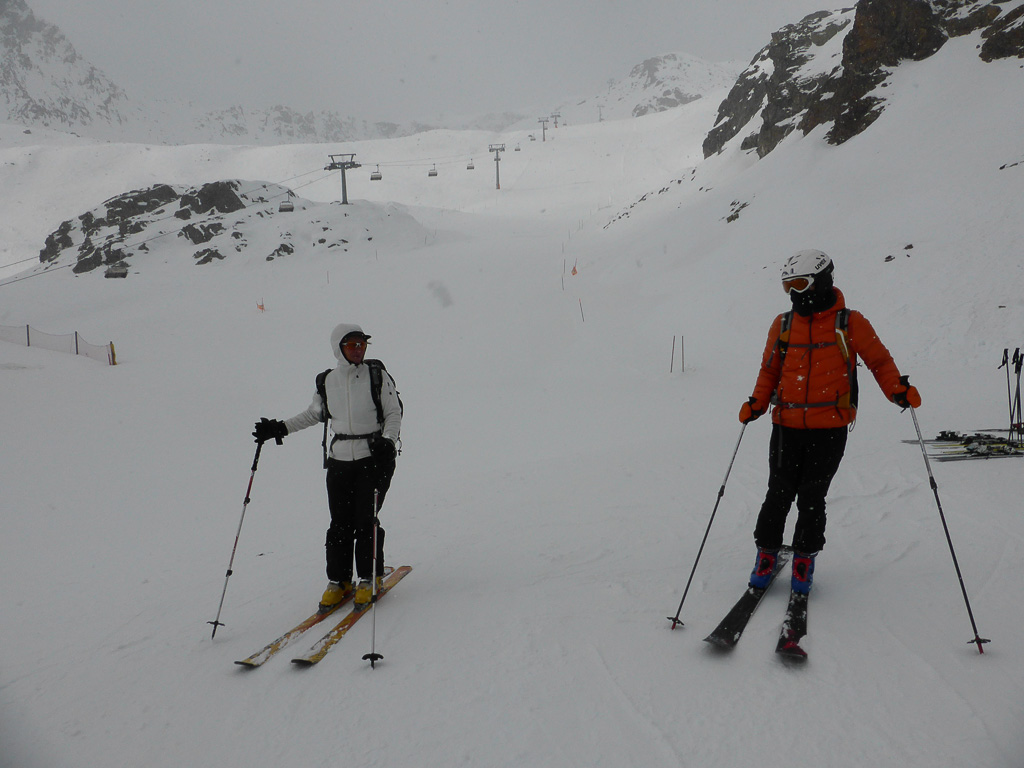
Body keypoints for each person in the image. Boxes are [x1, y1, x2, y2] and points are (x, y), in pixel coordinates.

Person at [738, 250, 921, 595]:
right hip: (786, 425)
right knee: (778, 492)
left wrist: (897, 390)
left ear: (821, 281)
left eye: (800, 283)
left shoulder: (850, 323)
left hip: (829, 428)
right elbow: (770, 369)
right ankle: (766, 554)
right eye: (788, 286)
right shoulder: (783, 324)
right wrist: (757, 403)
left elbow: (880, 362)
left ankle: (804, 559)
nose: (794, 293)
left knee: (812, 496)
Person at [253, 323, 402, 609]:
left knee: (365, 520)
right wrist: (280, 428)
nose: (358, 349)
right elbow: (314, 414)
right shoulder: (327, 381)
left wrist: (388, 441)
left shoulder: (377, 376)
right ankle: (339, 581)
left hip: (373, 458)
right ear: (338, 348)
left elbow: (393, 413)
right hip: (339, 461)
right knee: (339, 523)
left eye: (362, 344)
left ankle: (369, 578)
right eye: (352, 344)